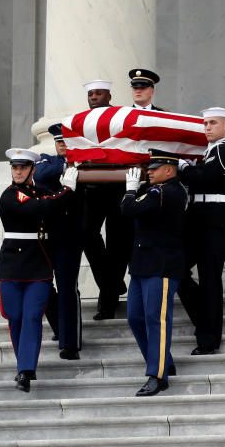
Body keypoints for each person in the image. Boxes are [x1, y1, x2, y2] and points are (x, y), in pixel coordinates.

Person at [0, 147, 74, 392]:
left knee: (32, 317)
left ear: (32, 170)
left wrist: (65, 192)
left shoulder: (42, 193)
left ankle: (26, 370)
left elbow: (54, 208)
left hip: (38, 266)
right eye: (15, 167)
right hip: (11, 266)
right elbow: (38, 208)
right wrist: (67, 190)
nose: (18, 171)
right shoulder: (10, 195)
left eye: (23, 167)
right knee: (16, 318)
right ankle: (23, 364)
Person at [120, 149, 187, 397]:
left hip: (162, 265)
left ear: (169, 170)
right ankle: (164, 360)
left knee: (155, 319)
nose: (149, 172)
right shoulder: (154, 191)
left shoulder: (168, 191)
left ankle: (158, 375)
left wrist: (129, 189)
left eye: (154, 168)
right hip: (142, 265)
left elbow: (128, 209)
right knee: (135, 318)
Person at [176, 107, 225, 355]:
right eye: (205, 123)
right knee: (178, 270)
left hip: (215, 221)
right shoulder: (208, 152)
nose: (207, 127)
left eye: (213, 123)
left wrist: (183, 169)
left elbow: (207, 178)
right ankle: (203, 320)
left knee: (210, 280)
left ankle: (208, 339)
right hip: (196, 218)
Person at [79, 79, 132, 320]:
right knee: (86, 233)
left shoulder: (119, 118)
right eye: (91, 93)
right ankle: (113, 283)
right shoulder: (80, 122)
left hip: (119, 186)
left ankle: (107, 304)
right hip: (93, 187)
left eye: (99, 93)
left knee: (117, 246)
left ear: (109, 96)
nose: (94, 96)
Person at [33, 124, 84, 360]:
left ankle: (70, 343)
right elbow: (41, 176)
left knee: (66, 288)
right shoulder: (46, 161)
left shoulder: (84, 163)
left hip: (69, 236)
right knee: (43, 286)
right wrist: (66, 166)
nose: (62, 144)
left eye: (66, 141)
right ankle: (59, 328)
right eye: (59, 141)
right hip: (45, 236)